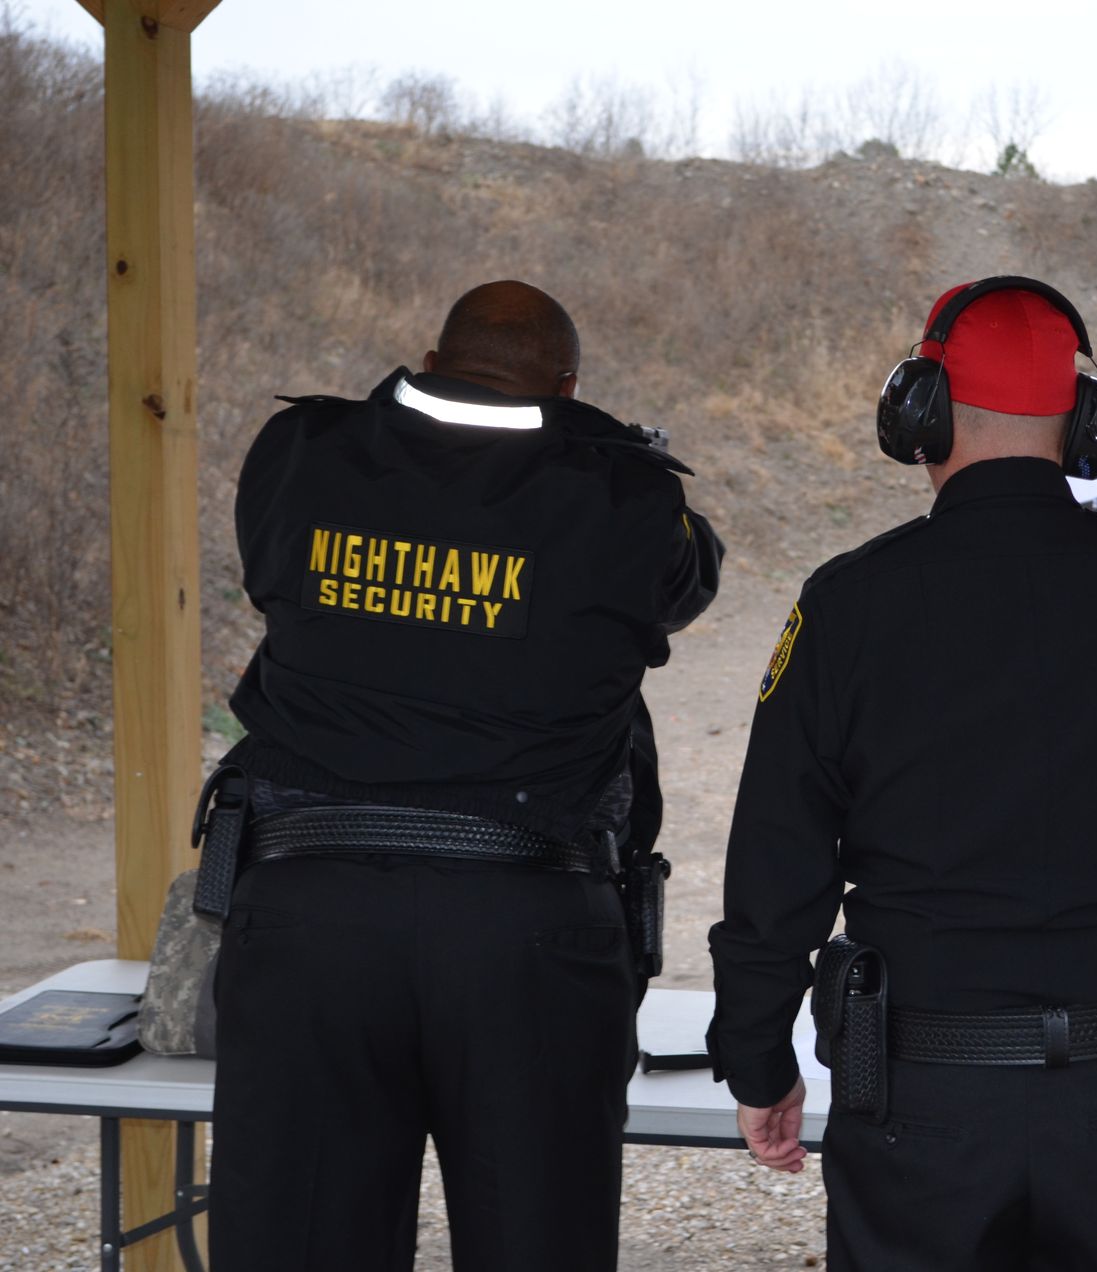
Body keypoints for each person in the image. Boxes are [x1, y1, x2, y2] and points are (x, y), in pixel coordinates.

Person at [706, 276, 1097, 1270]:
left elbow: (776, 864)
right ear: (1084, 426)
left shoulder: (849, 607)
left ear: (921, 413)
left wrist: (756, 1056)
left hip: (919, 1104)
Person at [207, 280, 722, 1271]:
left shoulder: (301, 453)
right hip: (525, 932)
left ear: (432, 361)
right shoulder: (625, 497)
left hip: (310, 923)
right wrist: (589, 444)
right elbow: (688, 579)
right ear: (565, 390)